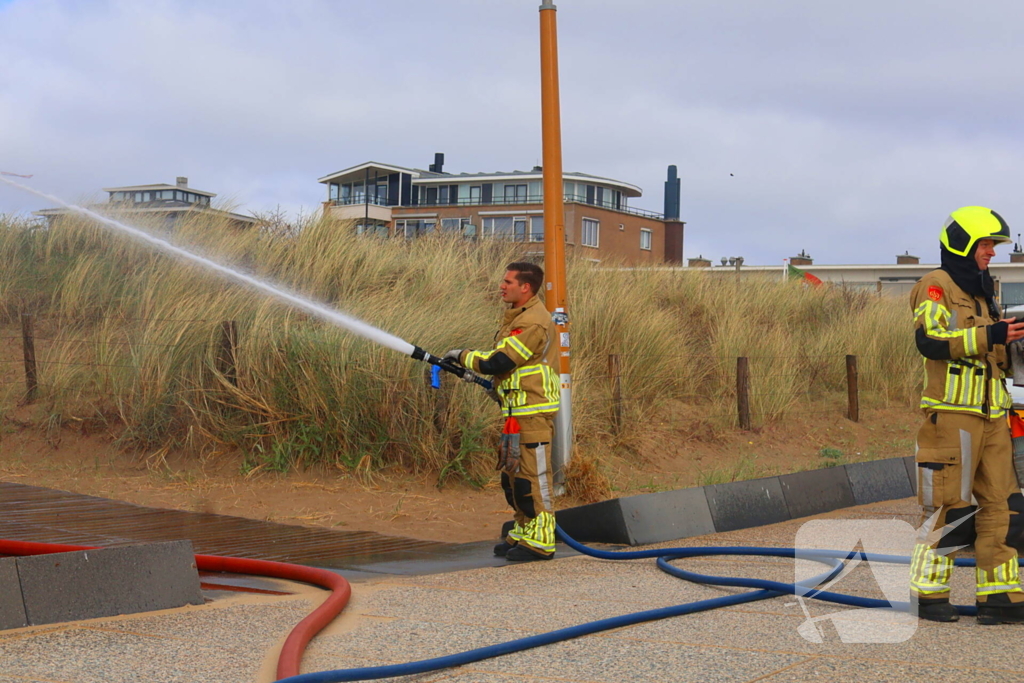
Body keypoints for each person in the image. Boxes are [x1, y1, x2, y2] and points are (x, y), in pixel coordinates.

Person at [909, 206, 1024, 624]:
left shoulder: (982, 293)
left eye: (993, 245)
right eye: (987, 244)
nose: (992, 252)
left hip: (993, 416)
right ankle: (928, 595)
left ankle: (1000, 598)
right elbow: (932, 340)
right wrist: (988, 333)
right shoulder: (934, 287)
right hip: (952, 417)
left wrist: (1010, 344)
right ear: (963, 243)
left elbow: (990, 353)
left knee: (1004, 507)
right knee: (949, 508)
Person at [445, 262, 560, 562]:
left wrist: (461, 356)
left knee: (532, 479)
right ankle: (524, 532)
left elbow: (500, 361)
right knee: (513, 477)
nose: (501, 285)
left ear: (526, 287)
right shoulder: (518, 316)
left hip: (531, 413)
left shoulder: (533, 321)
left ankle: (541, 541)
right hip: (515, 411)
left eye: (508, 281)